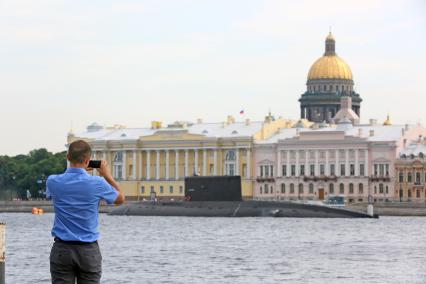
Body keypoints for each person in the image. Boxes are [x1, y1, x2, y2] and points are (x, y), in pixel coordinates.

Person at [46, 140, 125, 284]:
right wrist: (106, 175)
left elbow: (52, 193)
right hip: (88, 250)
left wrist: (78, 170)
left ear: (68, 157)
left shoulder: (52, 181)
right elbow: (120, 199)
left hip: (62, 248)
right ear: (88, 160)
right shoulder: (97, 183)